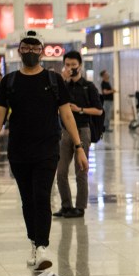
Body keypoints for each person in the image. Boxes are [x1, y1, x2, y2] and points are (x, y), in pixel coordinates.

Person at [0, 30, 88, 272]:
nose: (30, 52)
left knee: (42, 195)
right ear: (20, 50)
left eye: (35, 48)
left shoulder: (53, 80)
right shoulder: (9, 81)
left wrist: (79, 146)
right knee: (27, 200)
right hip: (18, 150)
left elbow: (66, 114)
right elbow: (0, 112)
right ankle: (34, 242)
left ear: (42, 51)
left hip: (47, 148)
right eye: (26, 47)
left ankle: (42, 247)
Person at [54, 50, 102, 219]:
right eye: (67, 65)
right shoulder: (62, 85)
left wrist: (79, 110)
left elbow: (98, 110)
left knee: (81, 170)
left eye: (73, 65)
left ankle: (80, 207)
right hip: (65, 132)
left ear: (80, 65)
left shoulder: (88, 87)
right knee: (60, 171)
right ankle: (66, 205)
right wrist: (62, 79)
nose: (71, 68)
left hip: (83, 130)